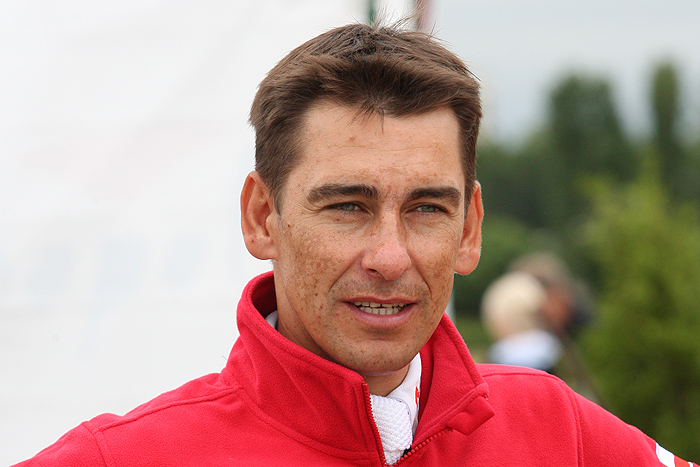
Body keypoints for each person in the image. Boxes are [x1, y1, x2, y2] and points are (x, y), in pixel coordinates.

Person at [14, 22, 694, 466]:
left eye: (427, 208)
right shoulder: (120, 458)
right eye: (347, 207)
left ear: (470, 229)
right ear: (262, 217)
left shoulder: (555, 430)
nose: (390, 257)